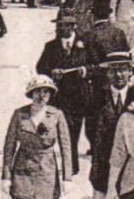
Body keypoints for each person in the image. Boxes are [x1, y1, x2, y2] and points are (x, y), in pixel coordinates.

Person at [85, 50, 134, 199]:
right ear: (107, 73)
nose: (119, 74)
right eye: (114, 69)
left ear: (131, 71)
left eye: (124, 69)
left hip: (130, 167)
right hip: (102, 166)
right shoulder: (97, 98)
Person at [35, 11, 93, 178]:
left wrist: (86, 70)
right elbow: (40, 68)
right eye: (58, 26)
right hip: (60, 98)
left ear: (72, 27)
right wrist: (52, 72)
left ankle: (71, 166)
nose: (60, 29)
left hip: (80, 96)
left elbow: (95, 65)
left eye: (64, 26)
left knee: (74, 133)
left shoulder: (85, 44)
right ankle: (70, 167)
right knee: (64, 132)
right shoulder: (50, 46)